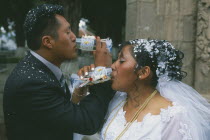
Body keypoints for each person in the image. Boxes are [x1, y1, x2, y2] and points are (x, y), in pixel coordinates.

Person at [3, 4, 114, 140]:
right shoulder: (32, 83)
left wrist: (78, 94)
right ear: (48, 41)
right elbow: (87, 122)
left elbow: (59, 115)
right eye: (67, 32)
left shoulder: (40, 68)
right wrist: (101, 72)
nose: (75, 37)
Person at [79, 39, 210, 139]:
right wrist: (81, 90)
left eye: (122, 61)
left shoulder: (172, 117)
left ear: (143, 72)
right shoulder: (116, 101)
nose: (113, 66)